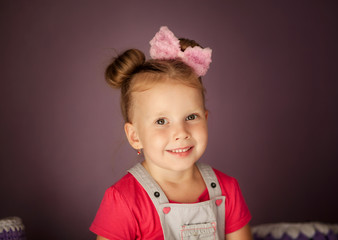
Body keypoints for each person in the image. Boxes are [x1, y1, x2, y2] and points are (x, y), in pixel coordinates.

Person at [90, 26, 252, 240]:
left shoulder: (227, 190)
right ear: (135, 136)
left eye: (191, 117)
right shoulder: (123, 200)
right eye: (161, 121)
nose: (181, 132)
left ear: (205, 118)